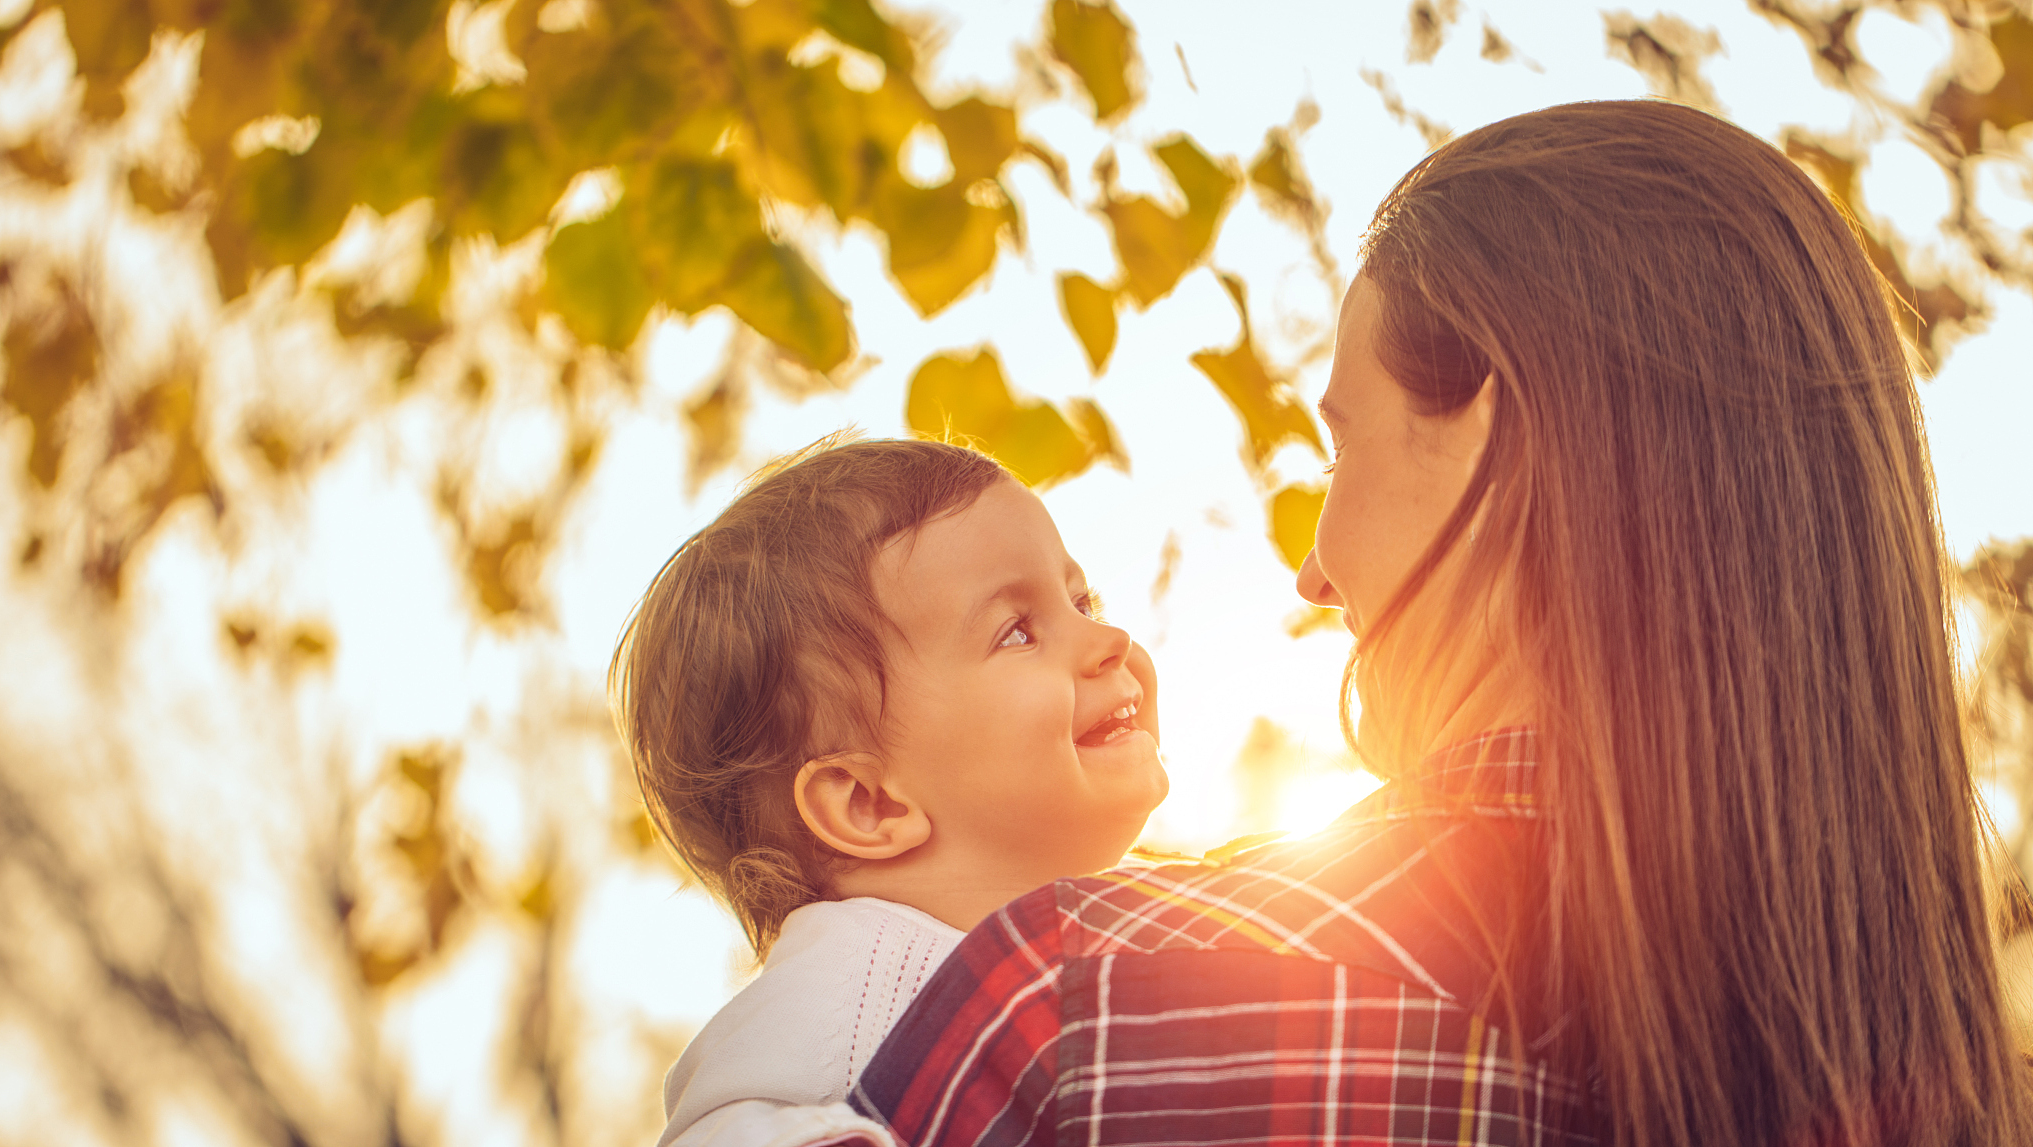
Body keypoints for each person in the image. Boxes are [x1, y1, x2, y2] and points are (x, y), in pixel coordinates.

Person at [850, 100, 2033, 1146]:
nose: (1313, 570)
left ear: (1493, 434)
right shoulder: (1989, 1102)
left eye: (1342, 445)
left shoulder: (1080, 1006)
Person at [611, 436, 1168, 1147]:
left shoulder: (1135, 926)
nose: (1109, 637)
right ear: (869, 803)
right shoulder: (852, 985)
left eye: (1081, 598)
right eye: (1019, 632)